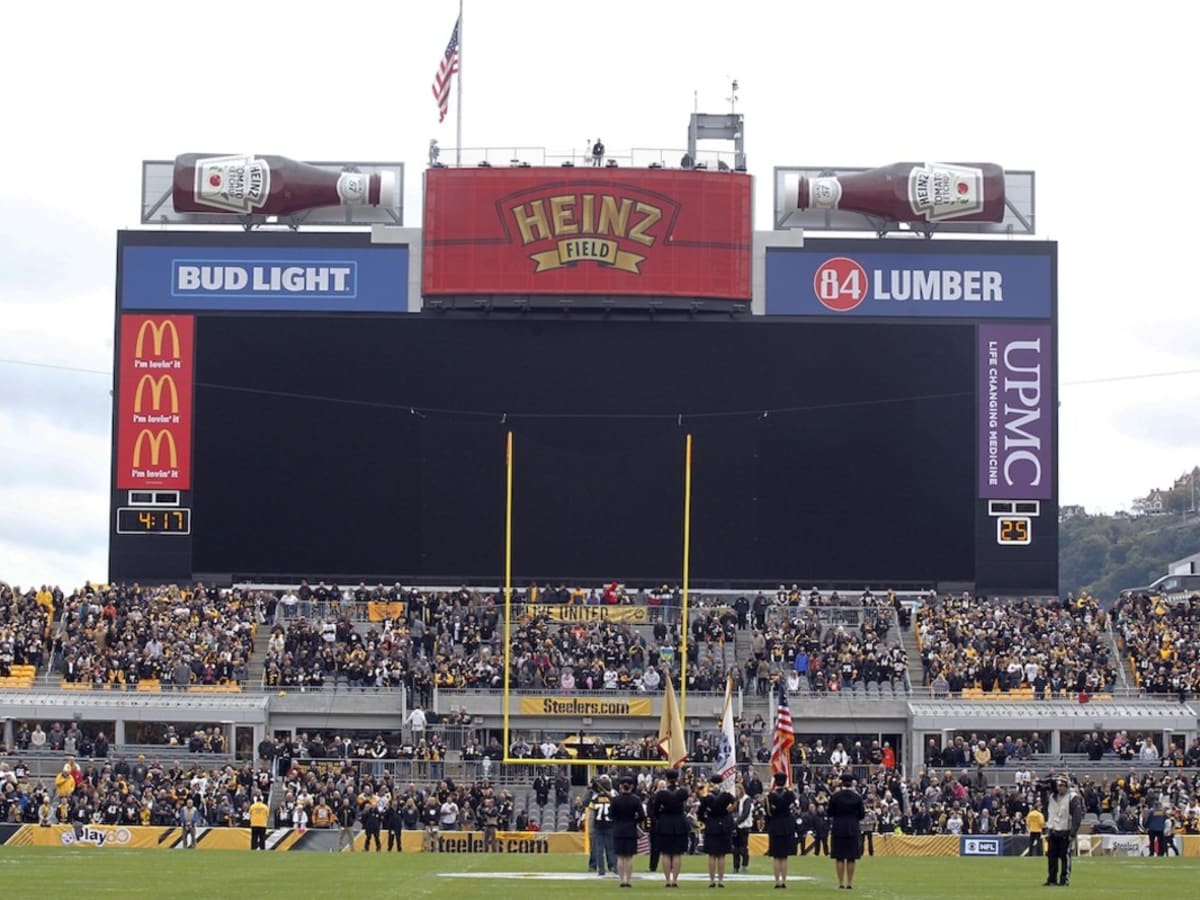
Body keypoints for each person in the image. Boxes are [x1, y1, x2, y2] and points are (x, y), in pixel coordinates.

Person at [653, 769, 690, 887]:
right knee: (677, 853)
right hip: (679, 823)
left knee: (666, 853)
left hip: (665, 824)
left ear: (666, 779)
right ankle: (675, 879)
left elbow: (655, 811)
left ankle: (667, 880)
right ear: (677, 778)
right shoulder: (682, 792)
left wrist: (662, 815)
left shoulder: (661, 794)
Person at [828, 773, 865, 890]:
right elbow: (862, 815)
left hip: (838, 828)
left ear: (841, 782)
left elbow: (829, 813)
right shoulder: (857, 797)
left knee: (839, 857)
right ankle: (849, 883)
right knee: (851, 857)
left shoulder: (835, 797)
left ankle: (840, 883)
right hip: (853, 828)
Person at [1043, 775, 1082, 886]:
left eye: (1061, 786)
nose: (1059, 788)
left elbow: (1077, 816)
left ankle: (1064, 879)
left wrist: (1073, 833)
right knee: (1051, 857)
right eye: (1058, 786)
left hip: (1065, 831)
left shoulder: (1072, 797)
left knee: (1064, 857)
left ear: (1067, 786)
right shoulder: (1053, 796)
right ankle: (1052, 879)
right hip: (1053, 830)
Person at [698, 774, 735, 887]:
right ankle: (721, 880)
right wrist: (728, 814)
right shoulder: (727, 796)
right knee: (721, 855)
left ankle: (712, 880)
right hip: (723, 826)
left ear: (711, 783)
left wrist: (706, 820)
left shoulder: (707, 797)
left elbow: (700, 813)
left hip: (711, 825)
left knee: (712, 855)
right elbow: (734, 805)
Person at [611, 775, 647, 888]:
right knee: (629, 857)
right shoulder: (636, 800)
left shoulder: (616, 800)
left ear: (621, 786)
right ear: (632, 786)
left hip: (618, 830)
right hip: (631, 829)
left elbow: (610, 815)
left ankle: (622, 880)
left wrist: (618, 819)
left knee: (620, 857)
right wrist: (634, 820)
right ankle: (628, 880)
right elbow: (642, 816)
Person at [765, 772, 798, 889]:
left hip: (775, 826)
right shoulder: (790, 795)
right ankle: (784, 881)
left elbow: (768, 813)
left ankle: (777, 881)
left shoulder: (770, 796)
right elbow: (795, 809)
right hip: (787, 827)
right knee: (784, 857)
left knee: (776, 856)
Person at [588, 775, 616, 877]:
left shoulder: (595, 798)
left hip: (598, 826)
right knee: (611, 849)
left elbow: (591, 815)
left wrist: (590, 829)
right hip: (610, 825)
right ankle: (614, 867)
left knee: (599, 850)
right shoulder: (613, 798)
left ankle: (601, 870)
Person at [732, 782, 754, 874]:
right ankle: (735, 866)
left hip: (744, 826)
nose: (736, 792)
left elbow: (746, 813)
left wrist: (737, 822)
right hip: (737, 826)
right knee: (735, 848)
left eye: (737, 791)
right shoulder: (737, 801)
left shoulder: (747, 799)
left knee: (743, 848)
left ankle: (744, 865)